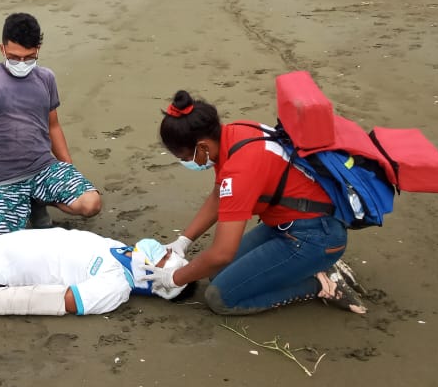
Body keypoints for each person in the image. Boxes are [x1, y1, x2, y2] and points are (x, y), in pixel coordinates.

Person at [148, 90, 365, 315]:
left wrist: (174, 278)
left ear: (202, 147)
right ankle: (309, 266)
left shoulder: (240, 172)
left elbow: (222, 252)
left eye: (185, 158)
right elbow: (219, 193)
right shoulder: (235, 132)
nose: (187, 162)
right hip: (290, 223)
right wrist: (184, 240)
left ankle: (321, 284)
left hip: (314, 237)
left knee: (220, 297)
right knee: (216, 273)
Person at [0, 12, 101, 234]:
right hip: (2, 179)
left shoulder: (46, 78)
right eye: (14, 57)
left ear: (38, 50)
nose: (21, 63)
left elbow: (53, 127)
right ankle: (29, 205)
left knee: (91, 203)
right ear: (2, 49)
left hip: (43, 167)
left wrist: (68, 168)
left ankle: (37, 200)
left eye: (29, 57)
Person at [0, 228, 193, 318]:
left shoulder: (113, 289)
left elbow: (42, 300)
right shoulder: (121, 250)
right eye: (170, 252)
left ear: (158, 282)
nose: (165, 249)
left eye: (166, 257)